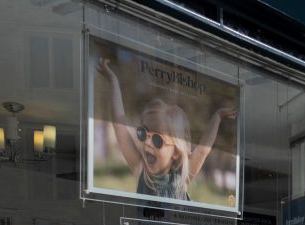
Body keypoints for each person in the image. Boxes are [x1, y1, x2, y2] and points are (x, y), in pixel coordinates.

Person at [97, 58, 236, 201]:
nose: (148, 143)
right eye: (143, 133)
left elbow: (202, 150)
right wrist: (113, 81)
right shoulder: (141, 171)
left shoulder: (182, 179)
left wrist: (218, 116)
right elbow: (119, 126)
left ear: (175, 152)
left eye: (158, 139)